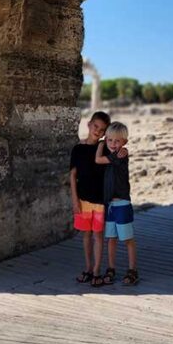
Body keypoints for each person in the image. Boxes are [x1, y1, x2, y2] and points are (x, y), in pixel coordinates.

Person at [96, 121, 139, 286]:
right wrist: (103, 142)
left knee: (127, 239)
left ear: (124, 143)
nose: (113, 144)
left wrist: (101, 143)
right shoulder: (112, 156)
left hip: (121, 204)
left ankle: (132, 269)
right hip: (109, 205)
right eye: (110, 140)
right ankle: (111, 268)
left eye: (117, 141)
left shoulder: (120, 156)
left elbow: (98, 160)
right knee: (111, 238)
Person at [69, 111, 110, 287]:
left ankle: (97, 271)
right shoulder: (78, 149)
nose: (98, 131)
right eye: (96, 126)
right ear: (89, 124)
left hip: (100, 200)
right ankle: (87, 267)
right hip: (83, 199)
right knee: (86, 234)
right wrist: (74, 200)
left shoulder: (104, 149)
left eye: (102, 130)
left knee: (98, 236)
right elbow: (72, 175)